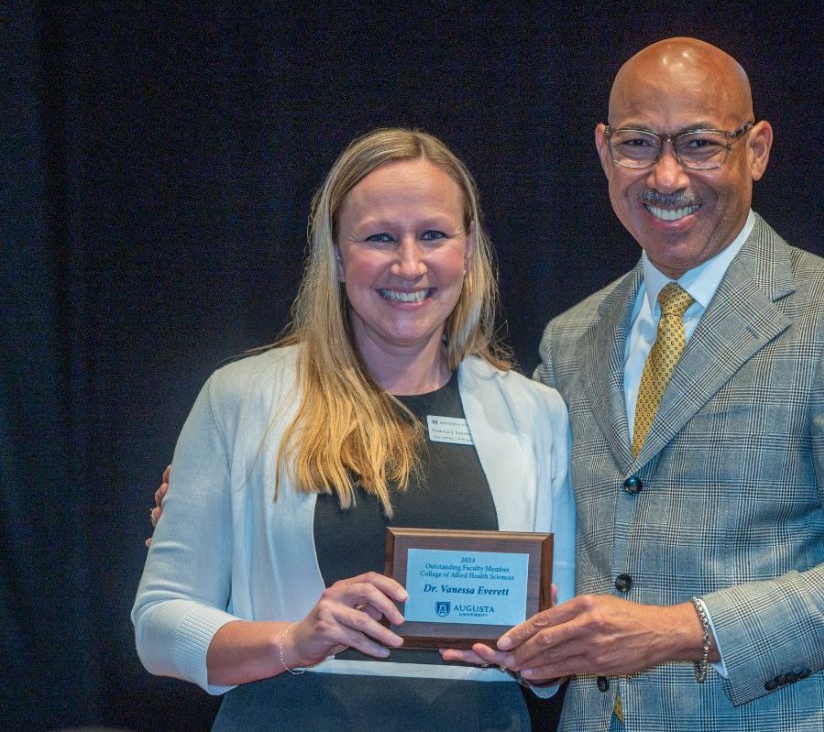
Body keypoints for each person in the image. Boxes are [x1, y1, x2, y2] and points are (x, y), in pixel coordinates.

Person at [489, 37, 824, 730]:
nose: (666, 177)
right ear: (605, 151)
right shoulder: (571, 339)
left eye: (699, 144)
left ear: (756, 149)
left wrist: (683, 630)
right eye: (639, 144)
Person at [132, 128, 575, 732]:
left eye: (434, 235)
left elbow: (553, 668)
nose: (410, 264)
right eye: (380, 238)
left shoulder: (536, 413)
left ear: (468, 251)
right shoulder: (243, 398)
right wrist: (293, 640)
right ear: (337, 257)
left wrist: (538, 656)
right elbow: (158, 624)